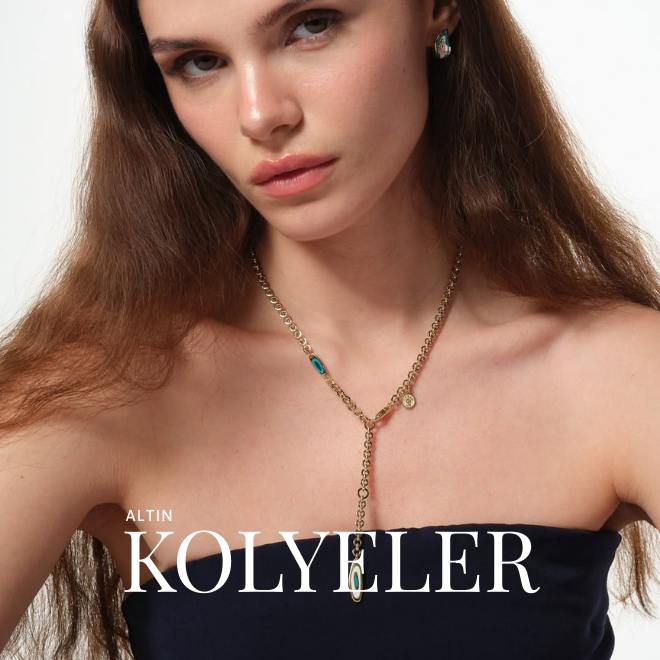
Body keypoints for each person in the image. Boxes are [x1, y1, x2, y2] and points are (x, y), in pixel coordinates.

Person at [1, 0, 659, 658]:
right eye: (200, 63)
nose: (260, 114)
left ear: (437, 10)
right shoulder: (107, 393)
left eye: (311, 25)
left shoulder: (617, 373)